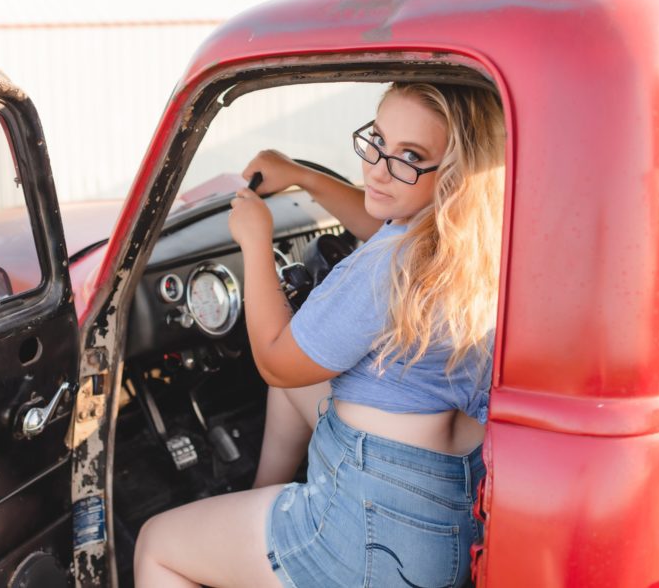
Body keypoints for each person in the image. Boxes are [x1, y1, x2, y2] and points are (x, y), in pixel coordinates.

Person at [134, 82, 505, 587]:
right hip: (447, 515)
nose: (377, 168)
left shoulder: (385, 269)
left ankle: (281, 542)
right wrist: (302, 176)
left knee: (157, 545)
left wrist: (255, 240)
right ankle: (258, 514)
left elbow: (275, 359)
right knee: (297, 390)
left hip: (369, 535)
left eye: (409, 156)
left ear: (455, 176)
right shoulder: (470, 245)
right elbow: (380, 219)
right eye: (377, 140)